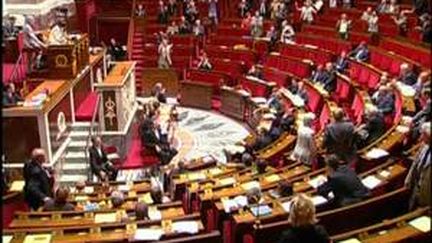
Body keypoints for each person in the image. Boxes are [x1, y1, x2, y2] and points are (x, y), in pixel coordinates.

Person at [405, 122, 431, 210]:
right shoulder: (424, 146)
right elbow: (415, 163)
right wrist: (408, 179)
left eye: (423, 135)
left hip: (427, 192)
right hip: (416, 187)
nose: (420, 138)